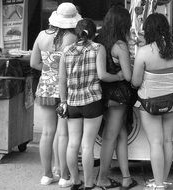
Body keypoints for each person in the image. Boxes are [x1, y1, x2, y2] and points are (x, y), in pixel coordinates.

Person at [131, 13, 173, 190]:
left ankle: (159, 184)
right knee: (167, 141)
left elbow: (136, 82)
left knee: (156, 142)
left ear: (148, 30)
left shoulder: (144, 52)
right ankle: (162, 178)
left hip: (149, 103)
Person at [30, 2, 81, 187]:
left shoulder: (41, 35)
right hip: (65, 89)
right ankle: (64, 176)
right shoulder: (72, 38)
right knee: (63, 134)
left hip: (45, 87)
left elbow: (34, 63)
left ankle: (46, 174)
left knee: (46, 133)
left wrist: (49, 69)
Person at [58, 18, 107, 190]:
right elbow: (102, 75)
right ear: (94, 33)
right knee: (88, 145)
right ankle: (88, 183)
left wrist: (63, 102)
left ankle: (75, 181)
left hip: (72, 102)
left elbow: (62, 81)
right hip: (92, 101)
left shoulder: (67, 51)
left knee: (73, 144)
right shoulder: (98, 48)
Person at [94, 5, 137, 190]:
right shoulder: (120, 45)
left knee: (121, 134)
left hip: (101, 93)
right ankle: (102, 178)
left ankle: (126, 177)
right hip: (118, 96)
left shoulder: (99, 40)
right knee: (110, 136)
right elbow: (128, 76)